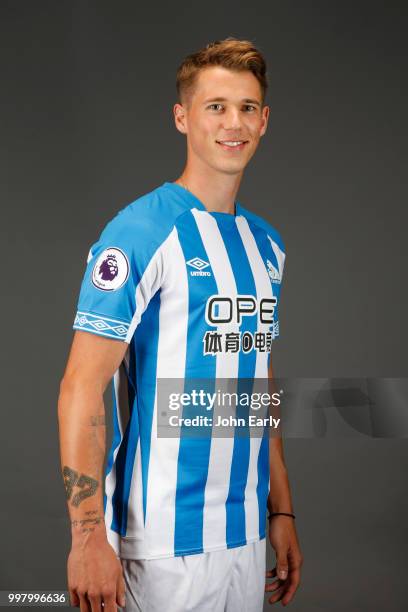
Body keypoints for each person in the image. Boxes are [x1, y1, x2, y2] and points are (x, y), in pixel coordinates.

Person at [58, 37, 303, 612]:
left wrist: (281, 510)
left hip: (244, 534)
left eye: (246, 107)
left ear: (264, 121)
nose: (232, 123)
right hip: (161, 543)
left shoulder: (267, 244)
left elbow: (255, 383)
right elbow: (81, 386)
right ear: (182, 116)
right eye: (215, 106)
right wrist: (88, 535)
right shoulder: (141, 231)